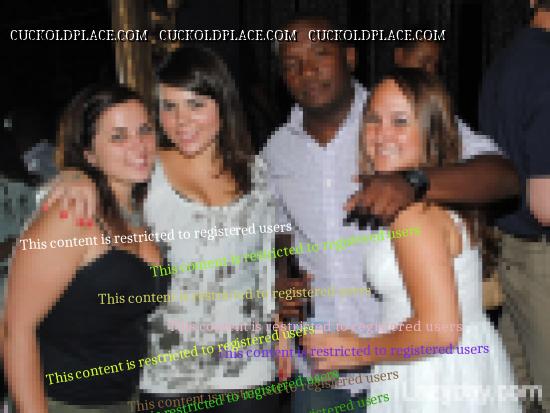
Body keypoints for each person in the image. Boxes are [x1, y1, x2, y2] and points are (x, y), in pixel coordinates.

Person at [262, 15, 519, 413]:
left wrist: (413, 182)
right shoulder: (276, 151)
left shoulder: (397, 111)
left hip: (411, 356)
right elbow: (281, 230)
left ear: (350, 57)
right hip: (325, 358)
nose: (306, 70)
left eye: (319, 53)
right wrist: (281, 279)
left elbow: (504, 177)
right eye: (291, 62)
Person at [42, 46, 283, 413]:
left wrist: (276, 322)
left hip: (248, 368)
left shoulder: (257, 172)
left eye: (195, 104)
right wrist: (75, 175)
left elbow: (264, 261)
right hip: (167, 370)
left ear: (223, 104)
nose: (181, 120)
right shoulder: (145, 171)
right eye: (169, 107)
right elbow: (77, 191)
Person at [5, 84, 163, 413]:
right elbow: (15, 329)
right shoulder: (71, 217)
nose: (139, 145)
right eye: (118, 136)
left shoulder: (138, 210)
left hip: (125, 401)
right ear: (89, 153)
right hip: (64, 404)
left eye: (144, 130)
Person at [478, 1, 550, 411]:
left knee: (519, 393)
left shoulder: (506, 61)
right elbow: (546, 204)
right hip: (540, 257)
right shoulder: (545, 65)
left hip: (508, 247)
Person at [393, 33, 502, 160]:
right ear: (399, 56)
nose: (430, 72)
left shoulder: (437, 113)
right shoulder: (374, 103)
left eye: (435, 66)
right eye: (424, 62)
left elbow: (489, 153)